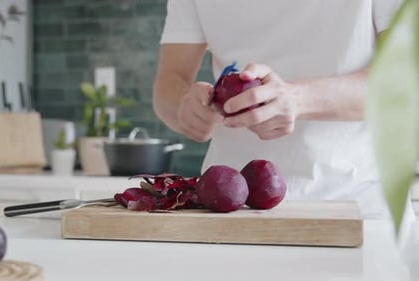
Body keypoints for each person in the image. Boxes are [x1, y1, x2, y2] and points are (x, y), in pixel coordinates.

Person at [152, 0, 415, 222]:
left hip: (357, 207)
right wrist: (185, 107)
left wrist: (296, 99)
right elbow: (169, 84)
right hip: (229, 213)